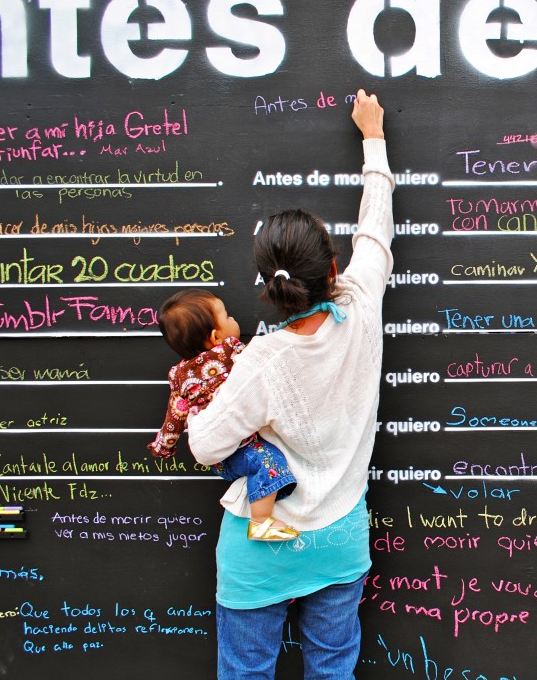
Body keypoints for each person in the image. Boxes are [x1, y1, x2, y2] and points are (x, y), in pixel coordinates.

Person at [186, 88, 392, 680]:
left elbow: (204, 447)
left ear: (266, 284)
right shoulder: (360, 305)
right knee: (333, 672)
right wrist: (373, 138)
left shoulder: (260, 359)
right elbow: (375, 232)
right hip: (339, 538)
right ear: (331, 270)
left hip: (262, 553)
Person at [149, 288, 300, 541]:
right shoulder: (230, 351)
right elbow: (261, 365)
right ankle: (261, 522)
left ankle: (257, 499)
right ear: (216, 336)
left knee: (260, 461)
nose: (233, 320)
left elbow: (175, 414)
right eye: (227, 316)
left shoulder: (178, 375)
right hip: (244, 447)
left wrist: (164, 446)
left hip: (221, 461)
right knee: (269, 461)